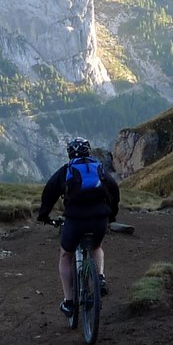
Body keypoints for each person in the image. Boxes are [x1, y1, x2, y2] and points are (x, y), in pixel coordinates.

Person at [36, 137, 121, 319]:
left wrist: (43, 215)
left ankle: (69, 302)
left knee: (66, 255)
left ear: (69, 153)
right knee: (96, 247)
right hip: (99, 220)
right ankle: (100, 276)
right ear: (88, 151)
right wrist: (112, 214)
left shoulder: (66, 170)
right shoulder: (99, 169)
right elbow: (114, 189)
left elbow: (49, 193)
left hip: (75, 221)